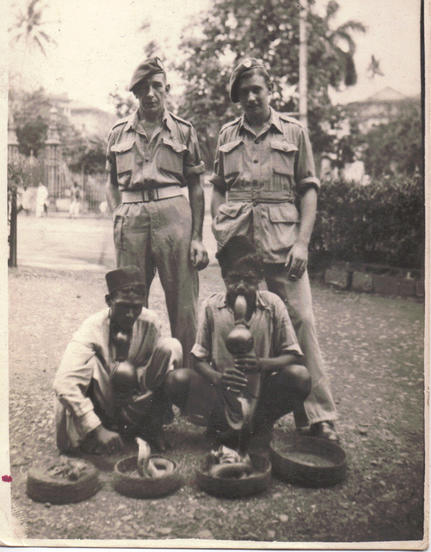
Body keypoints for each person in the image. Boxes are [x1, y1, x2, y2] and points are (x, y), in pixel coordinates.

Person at [209, 57, 338, 441]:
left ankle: (318, 415)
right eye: (243, 92)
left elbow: (309, 189)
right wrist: (220, 226)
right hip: (240, 243)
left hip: (283, 242)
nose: (250, 97)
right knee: (237, 321)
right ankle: (233, 411)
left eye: (257, 89)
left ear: (270, 90)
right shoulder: (226, 135)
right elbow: (217, 185)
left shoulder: (294, 132)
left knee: (301, 320)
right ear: (236, 98)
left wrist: (302, 243)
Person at [106, 57, 208, 367]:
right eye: (143, 88)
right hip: (132, 217)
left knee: (184, 305)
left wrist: (197, 238)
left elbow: (197, 187)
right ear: (134, 93)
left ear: (166, 89)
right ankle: (134, 378)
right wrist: (118, 215)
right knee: (129, 300)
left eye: (157, 87)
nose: (150, 93)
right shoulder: (117, 133)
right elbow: (111, 184)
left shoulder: (183, 131)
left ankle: (188, 383)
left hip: (173, 215)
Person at [165, 236, 311, 448]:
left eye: (249, 280)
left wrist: (262, 364)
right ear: (224, 277)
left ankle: (258, 424)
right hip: (222, 392)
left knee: (300, 376)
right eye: (233, 279)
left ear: (260, 278)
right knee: (176, 380)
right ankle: (220, 424)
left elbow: (294, 355)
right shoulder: (212, 306)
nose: (241, 286)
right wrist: (218, 377)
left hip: (260, 392)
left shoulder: (273, 304)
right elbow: (198, 359)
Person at [53, 266, 183, 454]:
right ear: (109, 301)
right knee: (88, 365)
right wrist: (96, 428)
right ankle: (97, 432)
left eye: (136, 307)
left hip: (133, 398)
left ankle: (150, 429)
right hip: (102, 400)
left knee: (171, 347)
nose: (130, 314)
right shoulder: (92, 327)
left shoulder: (150, 323)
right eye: (123, 306)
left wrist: (154, 417)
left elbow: (156, 378)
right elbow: (63, 383)